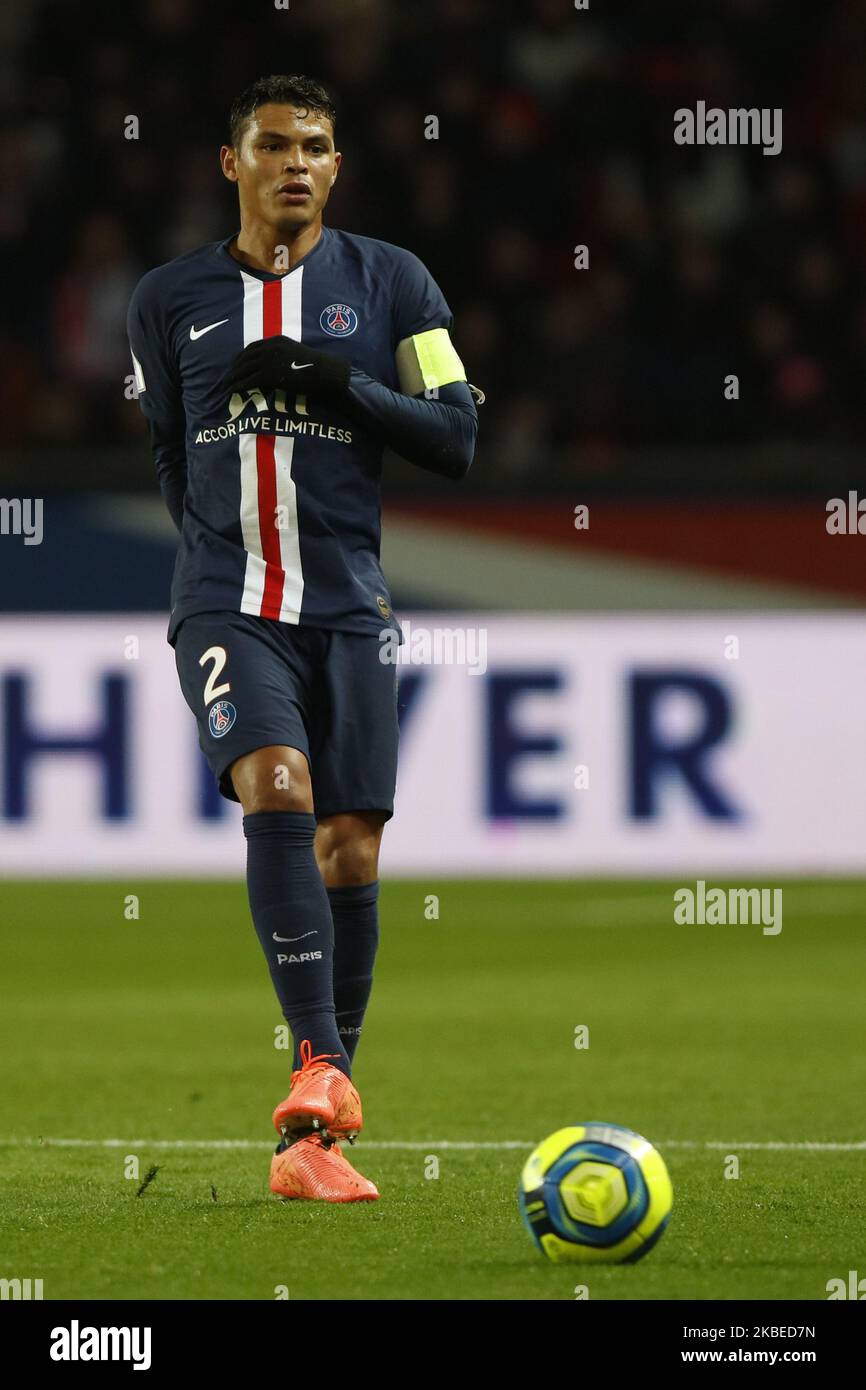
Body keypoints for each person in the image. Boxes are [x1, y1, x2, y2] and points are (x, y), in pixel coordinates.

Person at [127, 74, 479, 1202]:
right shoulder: (169, 298)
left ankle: (313, 1140)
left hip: (348, 604)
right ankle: (319, 1062)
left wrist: (338, 384)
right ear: (230, 164)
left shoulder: (393, 283)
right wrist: (207, 573)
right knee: (276, 783)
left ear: (337, 167)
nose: (295, 163)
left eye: (316, 147)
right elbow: (173, 460)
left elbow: (457, 435)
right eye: (272, 145)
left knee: (352, 851)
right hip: (230, 602)